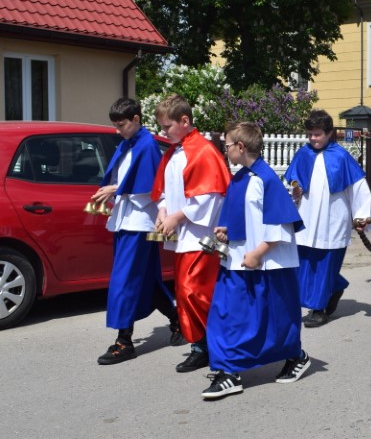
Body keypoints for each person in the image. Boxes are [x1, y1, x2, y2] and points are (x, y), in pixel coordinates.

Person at [201, 123, 310, 399]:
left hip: (262, 263)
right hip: (238, 261)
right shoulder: (242, 177)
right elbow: (247, 216)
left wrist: (257, 253)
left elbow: (281, 226)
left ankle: (294, 356)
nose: (225, 150)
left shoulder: (265, 178)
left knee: (273, 319)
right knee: (227, 316)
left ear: (240, 147)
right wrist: (228, 230)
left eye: (227, 145)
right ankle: (228, 371)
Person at [92, 98, 180, 365]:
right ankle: (177, 319)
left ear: (136, 119)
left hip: (139, 223)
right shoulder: (128, 143)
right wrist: (113, 190)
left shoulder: (148, 145)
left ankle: (124, 342)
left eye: (121, 125)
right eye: (116, 125)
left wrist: (115, 189)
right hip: (126, 220)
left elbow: (153, 186)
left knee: (124, 280)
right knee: (145, 279)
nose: (118, 130)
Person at [150, 94, 231, 372]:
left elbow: (211, 197)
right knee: (186, 292)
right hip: (182, 236)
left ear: (184, 121)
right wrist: (163, 211)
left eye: (167, 126)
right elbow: (163, 190)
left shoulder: (203, 151)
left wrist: (177, 216)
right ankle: (202, 345)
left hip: (201, 236)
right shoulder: (174, 152)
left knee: (194, 291)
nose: (163, 132)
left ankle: (209, 346)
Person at [284, 110, 371, 327]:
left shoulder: (341, 156)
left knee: (324, 265)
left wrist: (362, 216)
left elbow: (358, 188)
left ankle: (318, 309)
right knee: (306, 264)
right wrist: (295, 190)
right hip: (307, 218)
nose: (313, 139)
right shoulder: (303, 153)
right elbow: (293, 182)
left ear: (329, 133)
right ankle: (335, 286)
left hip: (332, 220)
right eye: (310, 134)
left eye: (318, 134)